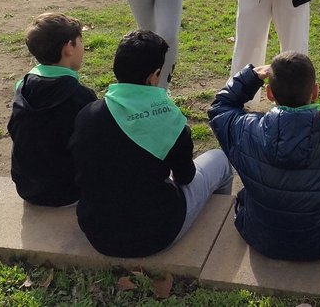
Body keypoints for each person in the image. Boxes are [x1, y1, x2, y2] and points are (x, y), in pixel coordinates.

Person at [69, 30, 232, 257]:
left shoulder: (87, 113)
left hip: (97, 231)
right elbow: (186, 177)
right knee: (221, 160)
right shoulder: (171, 120)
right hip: (156, 234)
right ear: (154, 76)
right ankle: (221, 226)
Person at [208, 51, 320, 261]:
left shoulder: (245, 129)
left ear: (269, 93)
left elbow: (219, 107)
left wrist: (250, 77)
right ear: (315, 91)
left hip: (257, 235)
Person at [8, 12, 97, 207]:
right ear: (69, 48)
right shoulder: (81, 96)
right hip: (68, 192)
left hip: (27, 188)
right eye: (80, 41)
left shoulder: (22, 87)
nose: (83, 47)